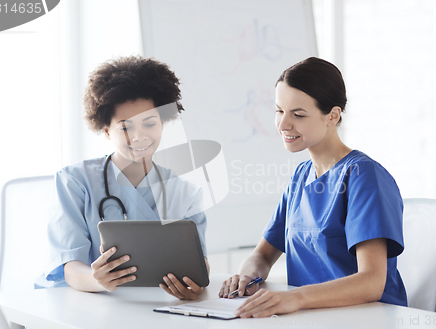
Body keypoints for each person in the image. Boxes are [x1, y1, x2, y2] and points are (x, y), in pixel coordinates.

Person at [219, 57, 407, 317]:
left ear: (333, 115)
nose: (284, 124)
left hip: (367, 319)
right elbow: (262, 255)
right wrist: (246, 275)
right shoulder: (301, 177)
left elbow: (372, 282)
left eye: (298, 114)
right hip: (312, 318)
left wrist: (295, 297)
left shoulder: (364, 176)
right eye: (279, 110)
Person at [44, 56, 208, 300]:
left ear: (162, 124)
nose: (139, 136)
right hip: (92, 307)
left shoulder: (184, 192)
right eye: (125, 127)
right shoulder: (75, 181)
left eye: (150, 123)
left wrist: (193, 286)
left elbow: (199, 267)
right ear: (107, 130)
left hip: (161, 309)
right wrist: (97, 279)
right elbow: (70, 268)